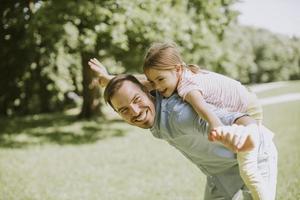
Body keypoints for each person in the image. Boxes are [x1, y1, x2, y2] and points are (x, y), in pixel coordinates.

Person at [88, 59, 277, 200]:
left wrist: (247, 134)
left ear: (148, 92)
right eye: (124, 110)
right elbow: (131, 88)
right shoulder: (155, 100)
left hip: (254, 156)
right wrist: (108, 79)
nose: (135, 112)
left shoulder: (179, 115)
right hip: (219, 173)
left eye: (137, 101)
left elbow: (243, 119)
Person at [142, 42, 272, 199]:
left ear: (177, 69)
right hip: (248, 101)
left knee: (248, 170)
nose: (156, 87)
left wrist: (216, 127)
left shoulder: (187, 88)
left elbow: (203, 109)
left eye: (160, 80)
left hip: (249, 112)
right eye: (152, 82)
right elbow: (140, 82)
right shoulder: (187, 72)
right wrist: (109, 79)